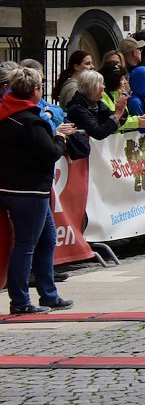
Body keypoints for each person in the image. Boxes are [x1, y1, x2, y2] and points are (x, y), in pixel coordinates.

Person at [0, 67, 75, 314]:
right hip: (29, 190)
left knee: (47, 240)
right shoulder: (31, 121)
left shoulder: (6, 113)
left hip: (12, 186)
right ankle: (20, 301)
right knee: (26, 244)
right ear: (34, 91)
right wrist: (60, 138)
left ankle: (49, 295)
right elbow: (50, 154)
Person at [65, 70, 128, 139]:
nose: (104, 87)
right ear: (93, 87)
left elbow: (112, 118)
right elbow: (99, 133)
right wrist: (117, 114)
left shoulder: (97, 104)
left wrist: (121, 109)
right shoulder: (77, 109)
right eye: (102, 83)